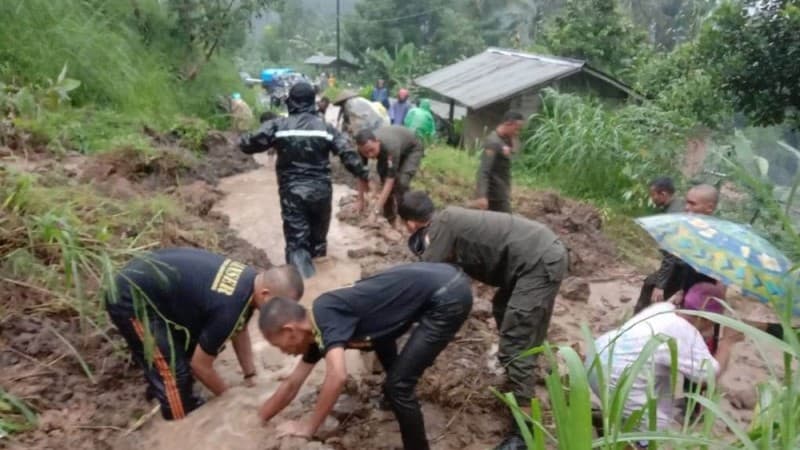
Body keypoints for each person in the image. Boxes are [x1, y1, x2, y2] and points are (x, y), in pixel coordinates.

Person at [397, 191, 568, 450]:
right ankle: (530, 368)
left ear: (410, 223)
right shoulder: (449, 217)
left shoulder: (442, 227)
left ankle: (524, 433)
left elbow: (425, 280)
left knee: (514, 343)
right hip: (537, 253)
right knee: (502, 307)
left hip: (536, 262)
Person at [257, 263, 473, 450]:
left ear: (290, 330)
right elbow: (293, 383)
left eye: (279, 345)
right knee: (382, 349)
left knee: (398, 386)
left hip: (448, 296)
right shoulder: (316, 331)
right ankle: (392, 404)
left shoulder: (324, 317)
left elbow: (338, 376)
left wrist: (308, 427)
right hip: (441, 281)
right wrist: (258, 420)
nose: (283, 352)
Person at [104, 248, 304, 420]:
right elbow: (200, 366)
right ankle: (178, 424)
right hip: (130, 296)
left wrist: (250, 374)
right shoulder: (229, 308)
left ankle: (158, 389)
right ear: (266, 294)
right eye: (280, 306)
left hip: (157, 289)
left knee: (180, 355)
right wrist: (230, 399)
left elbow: (239, 328)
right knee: (175, 376)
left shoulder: (249, 281)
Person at [240, 82, 370, 278]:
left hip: (292, 194)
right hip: (321, 192)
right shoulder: (326, 128)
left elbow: (247, 143)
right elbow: (348, 154)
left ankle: (304, 289)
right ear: (313, 102)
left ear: (291, 101)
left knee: (297, 244)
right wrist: (364, 175)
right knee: (318, 241)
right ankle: (322, 288)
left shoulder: (279, 126)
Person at [586, 282, 741, 443]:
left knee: (660, 395)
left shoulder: (664, 308)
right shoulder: (686, 334)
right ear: (709, 319)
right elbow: (708, 377)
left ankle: (612, 423)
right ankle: (627, 441)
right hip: (614, 376)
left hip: (598, 356)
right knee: (654, 427)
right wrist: (727, 343)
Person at [634, 177, 685, 313]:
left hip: (681, 268)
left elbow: (671, 253)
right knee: (650, 283)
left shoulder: (673, 215)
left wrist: (660, 285)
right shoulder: (679, 205)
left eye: (653, 195)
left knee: (652, 290)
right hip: (685, 265)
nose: (652, 199)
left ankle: (638, 324)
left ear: (663, 194)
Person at [354, 126, 425, 224]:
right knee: (383, 178)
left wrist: (375, 211)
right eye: (366, 153)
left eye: (372, 150)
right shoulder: (362, 149)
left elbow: (390, 181)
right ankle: (390, 217)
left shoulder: (390, 147)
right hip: (386, 150)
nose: (370, 155)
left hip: (411, 150)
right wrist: (360, 200)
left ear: (377, 141)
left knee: (401, 183)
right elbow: (360, 173)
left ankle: (407, 217)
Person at [474, 111, 526, 213]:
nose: (517, 133)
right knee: (506, 225)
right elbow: (484, 170)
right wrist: (482, 195)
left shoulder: (505, 139)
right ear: (508, 124)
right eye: (516, 129)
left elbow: (514, 151)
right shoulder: (493, 142)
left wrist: (510, 142)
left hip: (501, 193)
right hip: (493, 196)